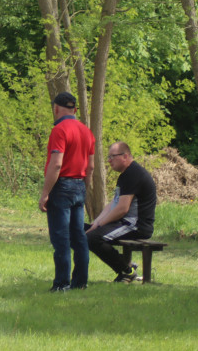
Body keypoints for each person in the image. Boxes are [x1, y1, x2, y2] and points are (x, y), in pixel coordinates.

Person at [38, 91, 95, 292]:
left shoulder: (59, 130)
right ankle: (80, 282)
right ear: (75, 110)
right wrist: (83, 188)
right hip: (79, 183)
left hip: (61, 185)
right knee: (78, 236)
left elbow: (56, 164)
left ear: (56, 108)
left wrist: (45, 192)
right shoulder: (87, 132)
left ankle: (62, 283)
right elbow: (91, 167)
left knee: (61, 237)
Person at [85, 142, 157, 283]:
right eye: (108, 157)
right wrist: (96, 222)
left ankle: (126, 271)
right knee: (79, 230)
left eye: (112, 156)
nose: (109, 160)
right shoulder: (125, 175)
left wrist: (99, 226)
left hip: (136, 226)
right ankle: (125, 266)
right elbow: (113, 204)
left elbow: (122, 209)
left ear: (125, 156)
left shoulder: (134, 174)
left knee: (92, 238)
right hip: (124, 223)